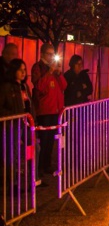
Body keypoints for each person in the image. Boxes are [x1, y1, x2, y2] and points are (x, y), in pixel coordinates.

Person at [32, 44, 67, 176]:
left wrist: (59, 73)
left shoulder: (54, 70)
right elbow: (39, 86)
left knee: (51, 140)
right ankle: (40, 166)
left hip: (55, 110)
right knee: (44, 140)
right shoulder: (38, 67)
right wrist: (50, 72)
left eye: (53, 54)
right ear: (42, 54)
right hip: (44, 110)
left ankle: (47, 164)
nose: (52, 56)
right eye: (49, 54)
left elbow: (64, 85)